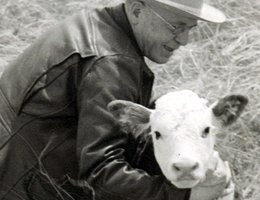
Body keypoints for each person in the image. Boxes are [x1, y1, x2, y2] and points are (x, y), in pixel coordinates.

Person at [0, 0, 230, 199]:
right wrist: (185, 195)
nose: (185, 40)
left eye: (191, 28)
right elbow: (100, 173)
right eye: (176, 26)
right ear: (137, 11)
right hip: (22, 187)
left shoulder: (96, 25)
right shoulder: (111, 62)